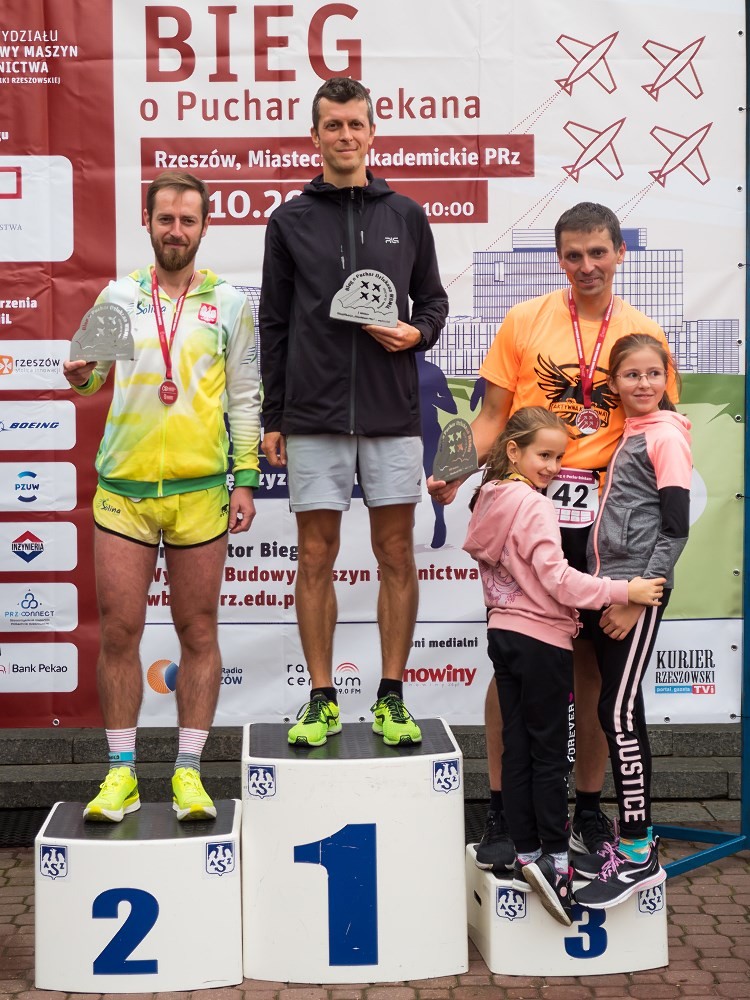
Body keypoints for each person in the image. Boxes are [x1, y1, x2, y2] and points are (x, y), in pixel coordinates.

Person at [429, 202, 677, 872]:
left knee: (592, 666)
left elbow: (658, 434)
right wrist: (454, 470)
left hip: (607, 519)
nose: (586, 266)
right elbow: (493, 417)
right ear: (559, 258)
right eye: (573, 255)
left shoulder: (643, 333)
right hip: (529, 510)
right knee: (515, 661)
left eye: (598, 252)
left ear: (619, 252)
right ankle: (504, 809)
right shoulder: (525, 320)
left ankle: (588, 809)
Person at [63, 170, 261, 822]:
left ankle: (188, 774)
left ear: (205, 227)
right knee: (120, 632)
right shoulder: (119, 295)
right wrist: (81, 374)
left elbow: (244, 398)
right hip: (124, 491)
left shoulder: (229, 303)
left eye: (188, 220)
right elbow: (91, 378)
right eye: (166, 219)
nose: (176, 231)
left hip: (200, 492)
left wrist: (245, 477)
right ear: (147, 221)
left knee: (198, 631)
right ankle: (120, 773)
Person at [259, 77, 448, 747]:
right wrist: (274, 417)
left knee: (396, 552)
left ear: (372, 133)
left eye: (355, 124)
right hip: (313, 415)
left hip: (391, 413)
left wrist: (418, 333)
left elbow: (434, 301)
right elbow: (274, 323)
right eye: (332, 125)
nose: (345, 135)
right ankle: (321, 698)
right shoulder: (288, 221)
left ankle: (392, 696)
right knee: (315, 555)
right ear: (314, 136)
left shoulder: (407, 214)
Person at [463, 406, 664, 925]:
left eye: (559, 457)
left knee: (518, 746)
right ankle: (555, 859)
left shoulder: (490, 495)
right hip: (542, 639)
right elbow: (559, 581)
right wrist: (624, 590)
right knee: (550, 755)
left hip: (503, 633)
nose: (554, 468)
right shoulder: (533, 505)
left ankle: (526, 850)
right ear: (513, 451)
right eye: (545, 455)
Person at [574, 334, 691, 907]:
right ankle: (633, 841)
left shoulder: (664, 435)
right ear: (614, 383)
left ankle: (639, 851)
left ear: (667, 378)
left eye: (653, 373)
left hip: (637, 592)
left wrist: (637, 598)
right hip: (612, 586)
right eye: (631, 375)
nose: (643, 383)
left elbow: (676, 528)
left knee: (615, 713)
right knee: (623, 710)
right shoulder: (632, 431)